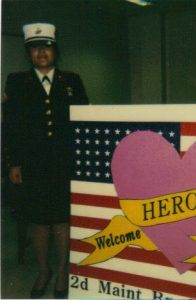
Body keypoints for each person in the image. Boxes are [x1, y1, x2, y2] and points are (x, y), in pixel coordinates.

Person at [3, 22, 89, 299]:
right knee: (39, 223)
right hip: (33, 165)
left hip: (65, 164)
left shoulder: (72, 81)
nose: (41, 52)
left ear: (55, 51)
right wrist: (13, 164)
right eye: (35, 48)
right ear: (29, 52)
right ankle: (44, 271)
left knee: (61, 222)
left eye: (47, 47)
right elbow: (11, 126)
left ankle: (62, 271)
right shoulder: (16, 82)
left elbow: (85, 121)